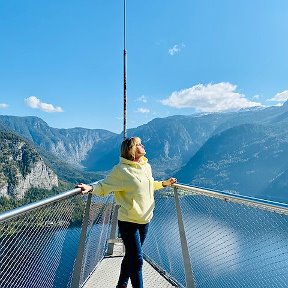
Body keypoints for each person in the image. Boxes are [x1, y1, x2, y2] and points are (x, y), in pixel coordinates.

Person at [76, 136, 177, 288]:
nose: (143, 146)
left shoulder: (146, 166)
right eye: (139, 144)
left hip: (145, 219)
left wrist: (164, 184)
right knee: (137, 260)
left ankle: (121, 284)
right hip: (128, 221)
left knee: (131, 256)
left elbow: (148, 186)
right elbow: (105, 185)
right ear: (131, 150)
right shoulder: (121, 170)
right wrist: (90, 188)